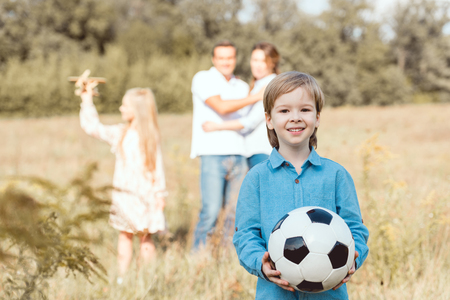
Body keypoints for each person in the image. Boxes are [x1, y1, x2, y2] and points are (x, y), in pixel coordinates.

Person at [233, 71, 369, 299]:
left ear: (317, 117)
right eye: (284, 110)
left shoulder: (336, 175)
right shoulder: (256, 178)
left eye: (305, 109)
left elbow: (356, 229)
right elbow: (245, 235)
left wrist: (354, 256)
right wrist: (261, 262)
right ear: (269, 119)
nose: (295, 117)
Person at [78, 81, 167, 283]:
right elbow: (92, 127)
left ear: (137, 110)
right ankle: (122, 278)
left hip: (145, 196)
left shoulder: (150, 137)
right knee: (125, 235)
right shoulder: (121, 133)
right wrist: (86, 99)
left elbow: (157, 168)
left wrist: (160, 194)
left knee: (145, 237)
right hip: (124, 195)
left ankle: (148, 278)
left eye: (125, 106)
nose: (121, 108)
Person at [190, 40, 263, 251]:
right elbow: (221, 106)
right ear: (214, 59)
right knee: (211, 210)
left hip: (239, 153)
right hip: (212, 153)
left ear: (235, 59)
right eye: (221, 58)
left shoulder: (241, 86)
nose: (225, 62)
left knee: (233, 212)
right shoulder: (203, 78)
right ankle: (199, 255)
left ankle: (227, 255)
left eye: (229, 58)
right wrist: (256, 97)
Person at [202, 42, 280, 169]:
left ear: (272, 63)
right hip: (251, 151)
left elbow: (251, 121)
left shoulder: (271, 85)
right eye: (255, 60)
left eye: (263, 61)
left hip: (262, 151)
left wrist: (217, 126)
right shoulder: (256, 85)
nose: (258, 65)